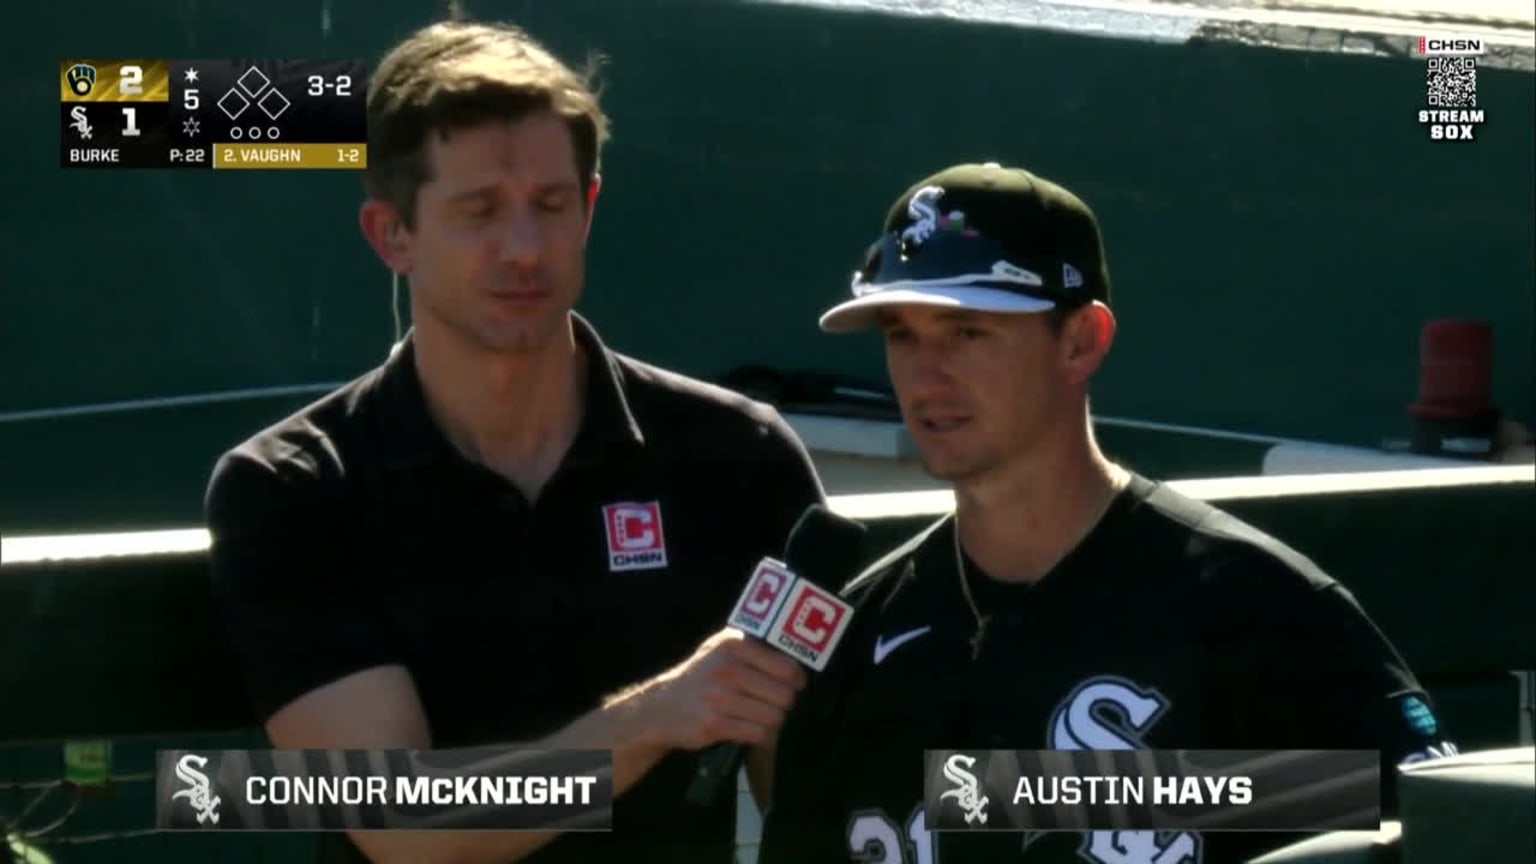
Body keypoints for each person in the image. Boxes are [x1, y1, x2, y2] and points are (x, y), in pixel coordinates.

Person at [204, 20, 825, 864]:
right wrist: (653, 718)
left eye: (551, 205)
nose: (525, 248)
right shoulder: (294, 489)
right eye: (480, 212)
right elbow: (405, 822)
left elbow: (821, 785)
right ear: (391, 235)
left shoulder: (739, 457)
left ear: (589, 208)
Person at [757, 161, 1457, 864]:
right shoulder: (861, 632)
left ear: (1081, 341)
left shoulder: (1254, 608)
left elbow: (1428, 829)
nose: (925, 375)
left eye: (967, 331)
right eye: (900, 335)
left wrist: (1059, 797)